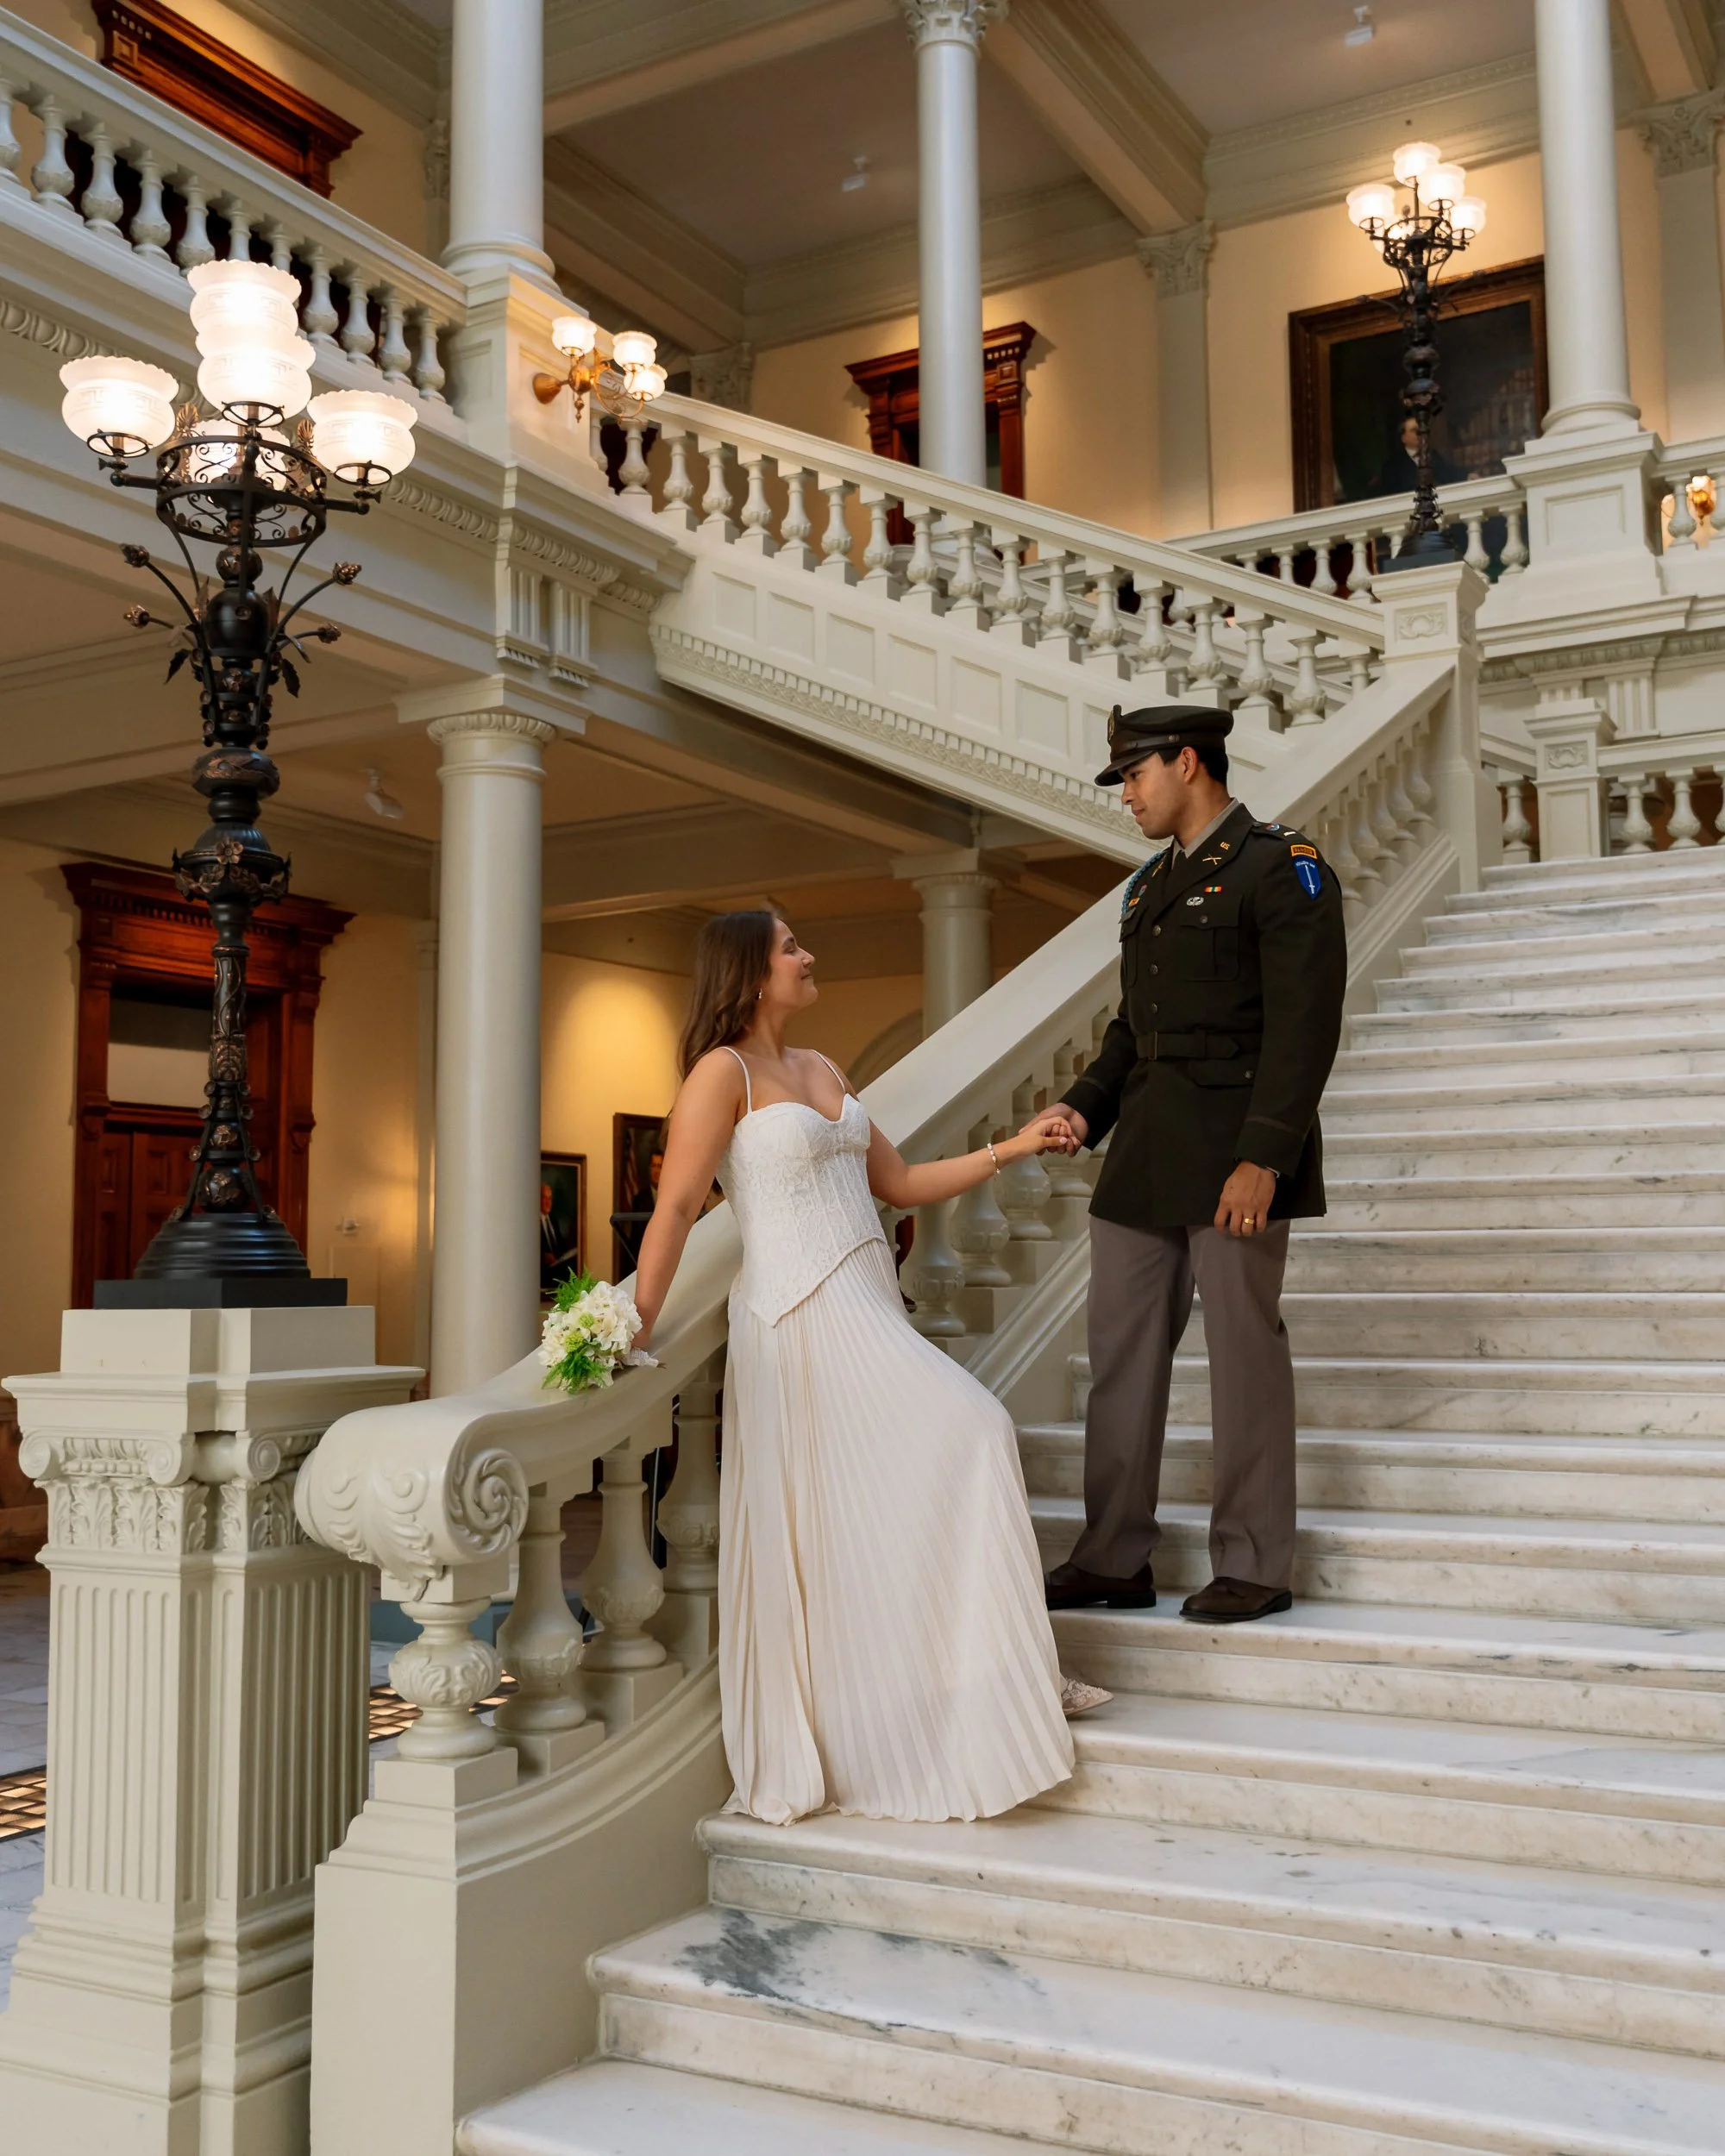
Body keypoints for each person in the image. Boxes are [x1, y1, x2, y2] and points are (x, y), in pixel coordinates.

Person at [632, 910, 1104, 1828]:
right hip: (796, 1324)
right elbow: (679, 1204)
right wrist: (629, 1322)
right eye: (789, 947)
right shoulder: (717, 1076)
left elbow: (896, 1185)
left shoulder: (824, 1068)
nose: (808, 955)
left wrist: (1013, 1145)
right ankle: (942, 1704)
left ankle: (991, 1688)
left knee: (926, 1478)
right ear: (747, 970)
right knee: (971, 1432)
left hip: (867, 1310)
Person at [1038, 704, 1346, 1626]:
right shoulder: (1144, 890)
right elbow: (1134, 1028)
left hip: (1233, 1152)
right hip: (1143, 1152)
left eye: (1135, 775)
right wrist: (1083, 1106)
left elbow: (1304, 1025)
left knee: (1243, 1354)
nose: (1126, 794)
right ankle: (1112, 1554)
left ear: (1187, 761)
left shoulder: (1280, 866)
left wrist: (1265, 1157)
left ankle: (1253, 1561)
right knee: (1119, 1358)